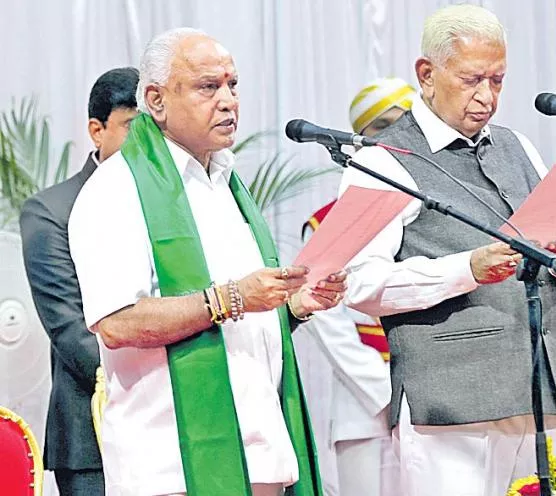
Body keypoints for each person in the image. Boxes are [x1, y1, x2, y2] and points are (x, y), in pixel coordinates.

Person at [68, 28, 345, 496]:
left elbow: (242, 317)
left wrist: (292, 304)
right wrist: (232, 297)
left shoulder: (228, 184)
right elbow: (116, 321)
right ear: (155, 100)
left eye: (232, 85)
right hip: (169, 464)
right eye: (207, 87)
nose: (228, 101)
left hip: (259, 454)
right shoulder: (116, 189)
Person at [338, 5, 556, 495]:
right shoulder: (380, 159)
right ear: (426, 74)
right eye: (472, 79)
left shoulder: (517, 145)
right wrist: (467, 269)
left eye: (497, 81)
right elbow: (360, 282)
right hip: (450, 404)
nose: (486, 98)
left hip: (541, 386)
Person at [19, 66, 139, 496]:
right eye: (131, 127)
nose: (146, 144)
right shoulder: (51, 211)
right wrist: (156, 384)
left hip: (173, 429)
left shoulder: (171, 208)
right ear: (97, 130)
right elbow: (69, 329)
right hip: (92, 437)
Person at [293, 77, 411, 496]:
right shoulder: (328, 220)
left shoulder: (434, 207)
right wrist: (386, 393)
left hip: (434, 392)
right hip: (366, 403)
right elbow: (326, 318)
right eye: (386, 125)